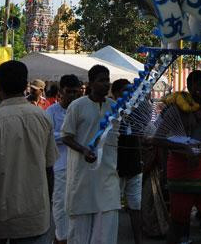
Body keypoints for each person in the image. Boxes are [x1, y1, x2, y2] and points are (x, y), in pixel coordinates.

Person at [0, 60, 57, 244]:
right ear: (26, 86)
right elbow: (49, 170)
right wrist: (47, 207)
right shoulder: (43, 118)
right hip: (35, 217)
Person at [155, 70, 201, 244]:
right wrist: (184, 148)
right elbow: (158, 138)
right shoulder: (175, 110)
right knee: (178, 225)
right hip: (181, 173)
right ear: (191, 86)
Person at [61, 64, 120, 244]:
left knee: (107, 231)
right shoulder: (77, 106)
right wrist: (84, 150)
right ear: (91, 83)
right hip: (83, 176)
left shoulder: (115, 107)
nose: (106, 84)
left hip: (107, 175)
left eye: (108, 80)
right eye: (102, 80)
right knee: (79, 234)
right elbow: (66, 136)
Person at [46, 74, 81, 244]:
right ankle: (61, 237)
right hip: (60, 167)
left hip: (81, 167)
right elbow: (47, 137)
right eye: (69, 92)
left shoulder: (81, 110)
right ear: (61, 91)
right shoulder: (51, 112)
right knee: (60, 207)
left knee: (77, 209)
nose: (73, 95)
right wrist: (69, 137)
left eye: (76, 92)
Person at [111, 78, 144, 244]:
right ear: (116, 93)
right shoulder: (110, 111)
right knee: (113, 207)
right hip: (115, 167)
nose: (130, 93)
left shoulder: (135, 110)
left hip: (134, 165)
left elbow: (140, 134)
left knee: (136, 206)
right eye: (126, 90)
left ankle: (138, 240)